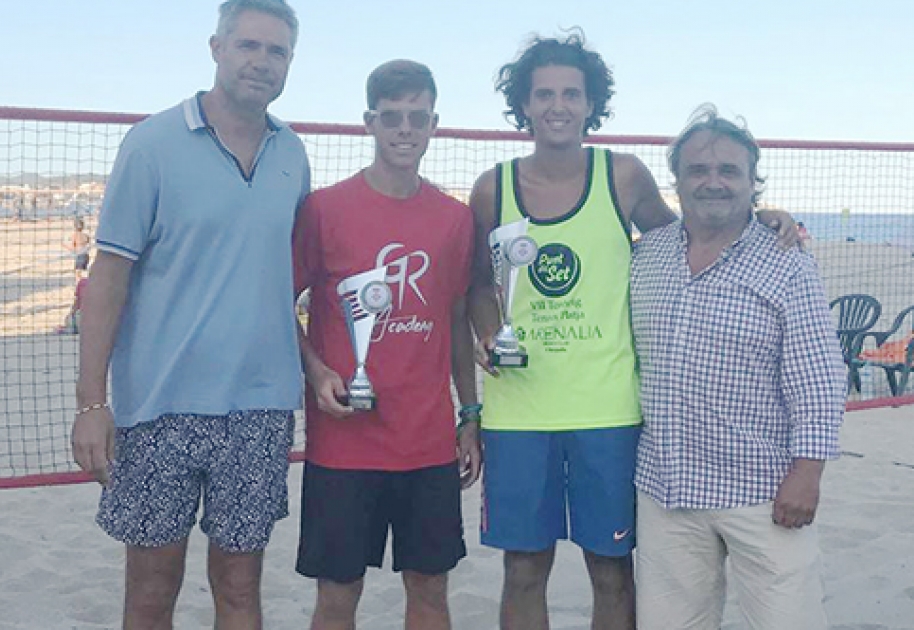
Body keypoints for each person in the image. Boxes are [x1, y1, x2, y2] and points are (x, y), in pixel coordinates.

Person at [467, 33, 798, 630]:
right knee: (522, 570)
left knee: (613, 571)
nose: (558, 105)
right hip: (519, 411)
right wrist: (488, 329)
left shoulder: (622, 176)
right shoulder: (493, 186)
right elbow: (474, 286)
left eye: (572, 93)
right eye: (544, 94)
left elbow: (691, 238)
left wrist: (761, 216)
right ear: (524, 105)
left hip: (611, 410)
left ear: (592, 103)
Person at [70, 1, 309, 628]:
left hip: (259, 410)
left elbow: (279, 285)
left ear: (290, 62)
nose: (261, 62)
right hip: (160, 407)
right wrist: (92, 405)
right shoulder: (152, 143)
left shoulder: (293, 154)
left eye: (277, 51)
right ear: (217, 47)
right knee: (152, 588)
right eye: (249, 46)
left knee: (240, 586)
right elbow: (109, 279)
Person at [630, 107, 846, 630]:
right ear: (677, 182)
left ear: (753, 183)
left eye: (729, 171)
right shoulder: (646, 255)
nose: (713, 182)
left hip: (762, 489)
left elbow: (817, 375)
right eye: (698, 171)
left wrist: (808, 472)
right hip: (666, 487)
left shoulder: (786, 260)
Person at [292, 59, 481, 630]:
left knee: (429, 591)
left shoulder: (455, 219)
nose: (405, 129)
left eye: (416, 117)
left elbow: (455, 320)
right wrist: (315, 368)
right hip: (343, 445)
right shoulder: (324, 208)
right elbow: (280, 304)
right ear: (368, 122)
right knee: (337, 595)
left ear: (434, 124)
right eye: (392, 117)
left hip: (425, 445)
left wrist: (469, 414)